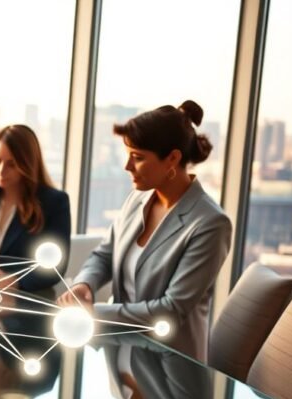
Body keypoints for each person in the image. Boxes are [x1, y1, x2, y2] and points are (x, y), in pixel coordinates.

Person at [58, 101, 232, 361]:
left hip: (172, 367)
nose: (127, 166)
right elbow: (104, 255)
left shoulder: (210, 224)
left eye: (138, 157)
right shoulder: (137, 199)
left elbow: (170, 311)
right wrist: (85, 283)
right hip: (122, 354)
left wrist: (95, 313)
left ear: (172, 158)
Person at [0, 125, 70, 293]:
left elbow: (56, 267)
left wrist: (14, 280)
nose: (1, 171)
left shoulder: (53, 203)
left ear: (27, 165)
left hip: (27, 301)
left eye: (11, 164)